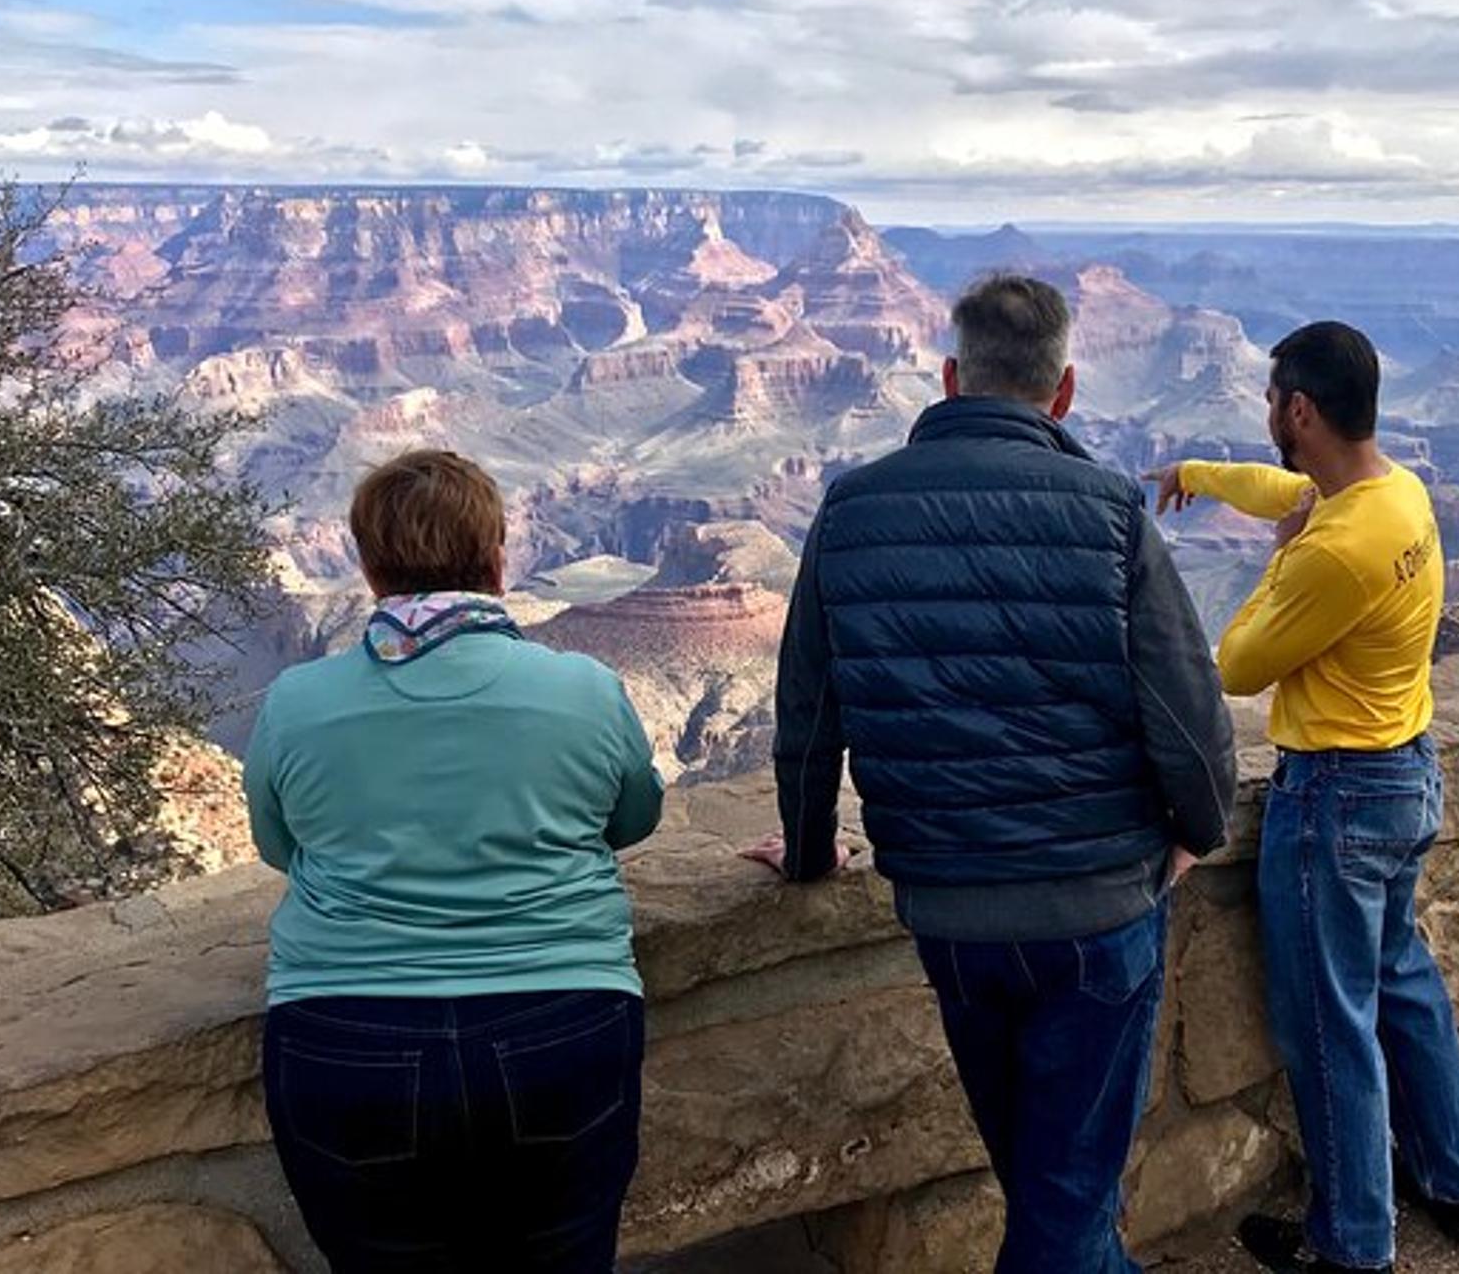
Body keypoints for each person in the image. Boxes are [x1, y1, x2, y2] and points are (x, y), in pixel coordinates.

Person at [747, 274, 1238, 1273]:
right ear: (1061, 394)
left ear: (948, 375)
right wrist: (1196, 831)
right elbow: (1187, 719)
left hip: (949, 910)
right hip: (1098, 911)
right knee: (1062, 1196)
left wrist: (805, 854)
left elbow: (806, 721)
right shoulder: (1108, 509)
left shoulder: (850, 509)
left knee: (1047, 1182)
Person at [244, 449, 663, 1274]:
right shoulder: (585, 688)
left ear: (367, 570)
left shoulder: (295, 702)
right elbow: (632, 818)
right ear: (500, 556)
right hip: (563, 1025)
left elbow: (276, 845)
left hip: (343, 1038)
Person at [1146, 322, 1459, 1273]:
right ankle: (1458, 1181)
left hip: (1336, 798)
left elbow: (1236, 665)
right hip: (1406, 772)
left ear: (1299, 409)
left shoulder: (1332, 548)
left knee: (1329, 1023)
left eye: (1271, 402)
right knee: (1404, 985)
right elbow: (1291, 491)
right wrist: (1203, 474)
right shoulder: (1397, 491)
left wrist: (1280, 557)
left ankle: (1352, 1244)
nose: (1268, 417)